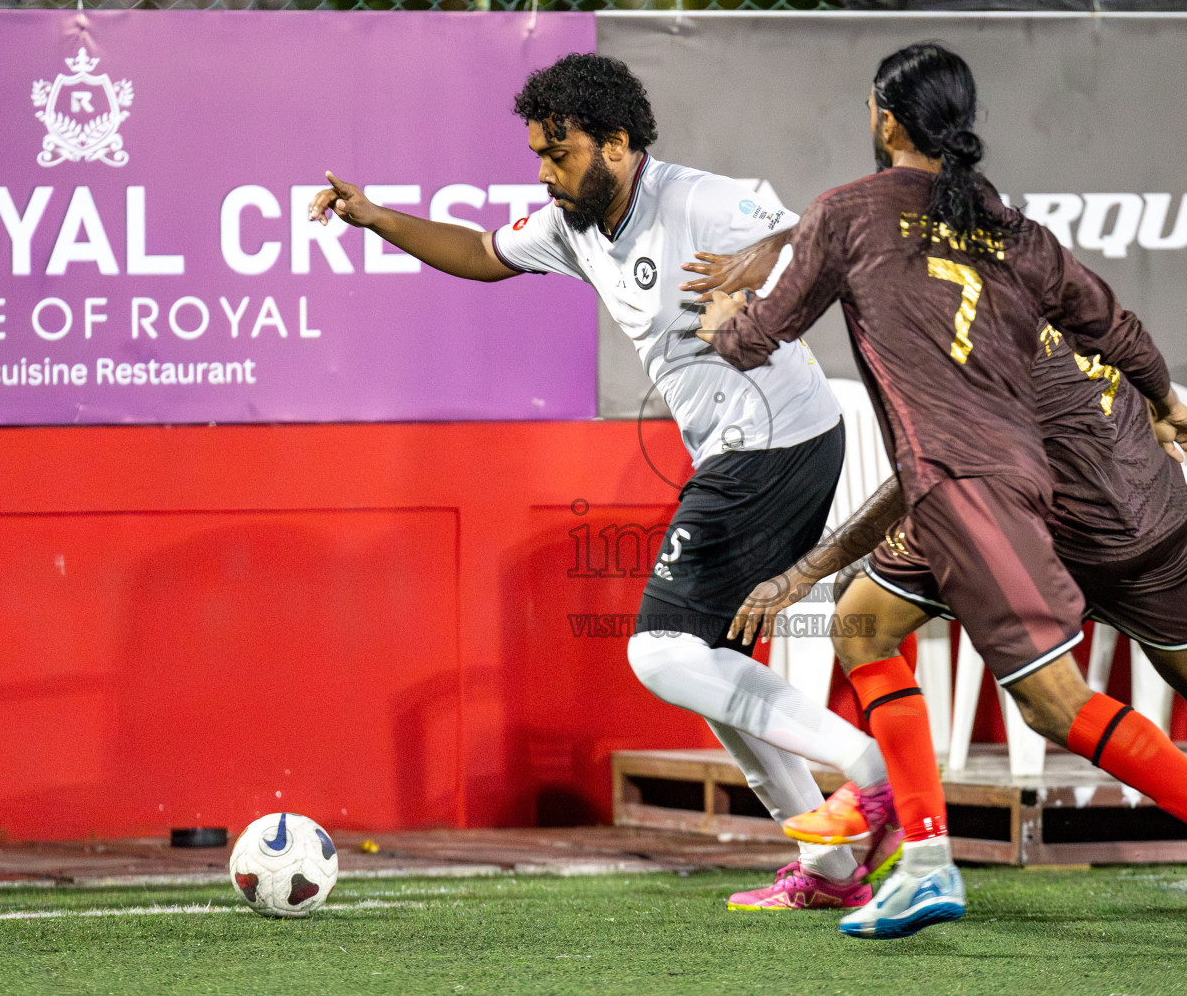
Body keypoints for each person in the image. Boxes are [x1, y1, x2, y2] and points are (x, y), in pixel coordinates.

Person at [698, 42, 1187, 963]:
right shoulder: (1010, 230)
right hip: (1005, 481)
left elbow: (753, 340)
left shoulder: (845, 213)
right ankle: (926, 857)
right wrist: (1169, 403)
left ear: (885, 118)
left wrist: (717, 322)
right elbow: (1119, 327)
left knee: (1056, 704)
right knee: (861, 625)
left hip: (973, 491)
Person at [308, 53, 898, 910]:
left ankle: (871, 769)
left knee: (659, 651)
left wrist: (749, 273)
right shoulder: (575, 224)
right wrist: (373, 218)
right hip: (740, 450)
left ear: (617, 143)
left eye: (560, 152)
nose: (546, 172)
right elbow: (479, 251)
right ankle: (835, 872)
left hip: (776, 443)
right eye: (541, 155)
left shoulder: (698, 199)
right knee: (709, 668)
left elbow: (819, 236)